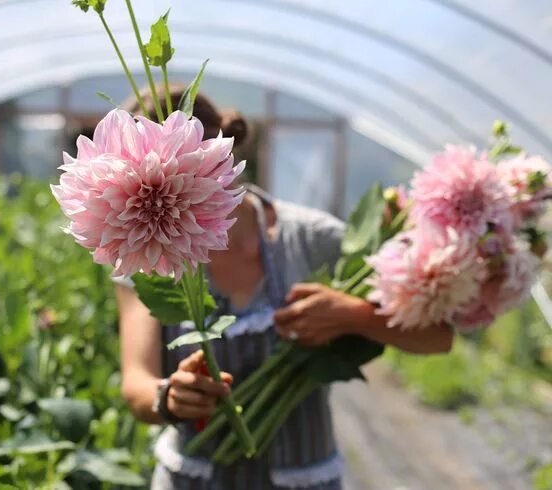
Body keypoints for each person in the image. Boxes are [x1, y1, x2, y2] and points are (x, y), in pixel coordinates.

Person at [114, 87, 453, 489]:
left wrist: (355, 315)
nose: (161, 196)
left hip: (301, 476)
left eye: (174, 175)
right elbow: (136, 383)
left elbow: (437, 336)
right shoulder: (148, 253)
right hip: (194, 476)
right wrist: (169, 397)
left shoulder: (308, 237)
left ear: (218, 159)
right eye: (144, 187)